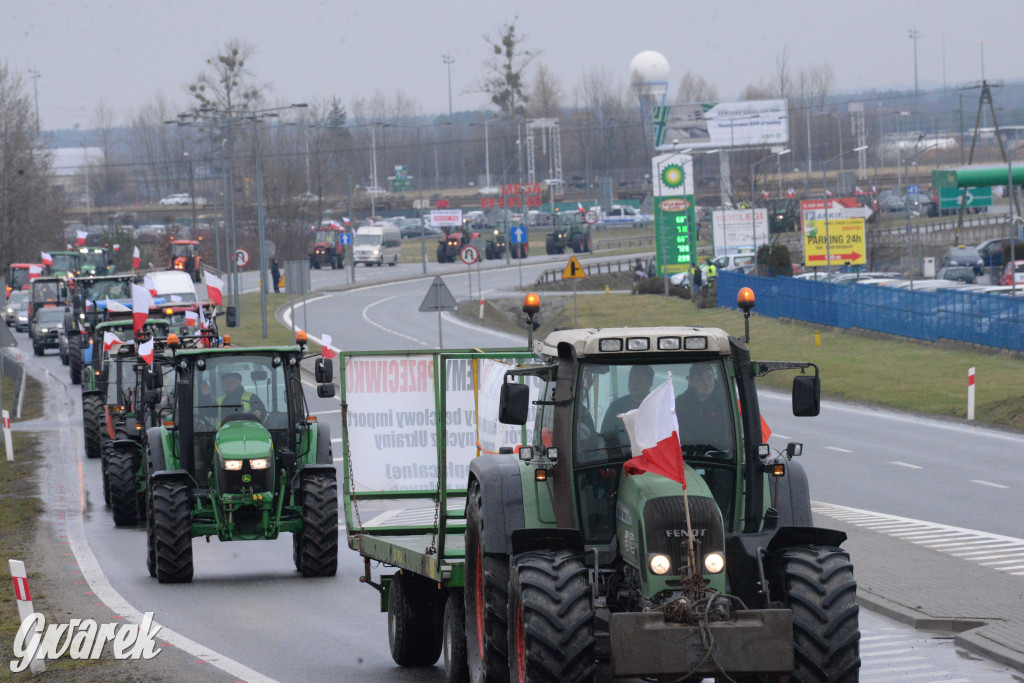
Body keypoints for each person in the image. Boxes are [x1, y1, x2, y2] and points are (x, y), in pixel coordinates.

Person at [675, 363, 733, 458]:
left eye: (709, 378)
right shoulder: (681, 404)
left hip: (722, 456)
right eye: (700, 379)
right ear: (691, 381)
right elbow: (679, 435)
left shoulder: (726, 401)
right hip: (690, 456)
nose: (706, 383)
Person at [600, 365, 654, 454]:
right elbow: (604, 439)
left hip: (652, 460)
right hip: (621, 460)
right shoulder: (616, 407)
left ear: (650, 382)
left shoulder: (659, 406)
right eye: (631, 379)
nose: (633, 383)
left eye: (639, 379)